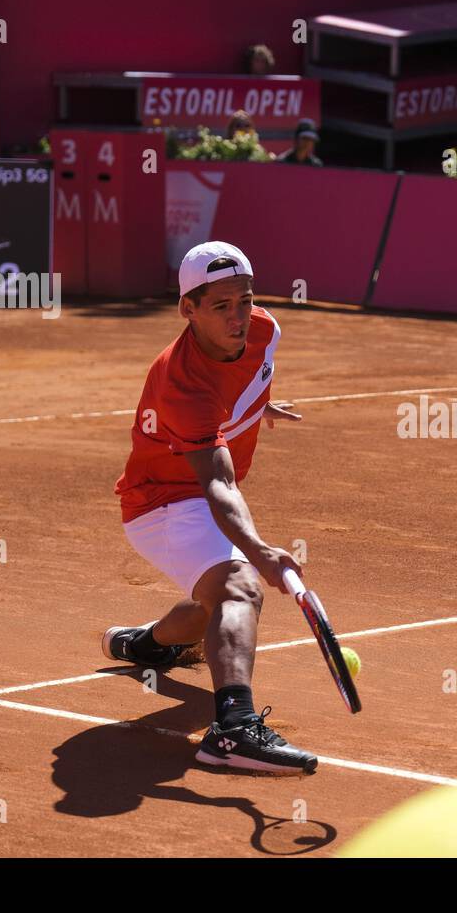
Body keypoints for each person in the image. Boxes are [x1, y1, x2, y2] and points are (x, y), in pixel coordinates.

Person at [106, 241, 317, 775]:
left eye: (244, 301)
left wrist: (255, 404)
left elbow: (244, 374)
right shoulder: (182, 385)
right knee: (240, 584)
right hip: (161, 503)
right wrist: (262, 553)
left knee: (208, 609)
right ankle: (233, 730)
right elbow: (219, 484)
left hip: (196, 495)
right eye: (220, 306)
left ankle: (147, 646)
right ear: (188, 310)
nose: (238, 317)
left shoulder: (264, 330)